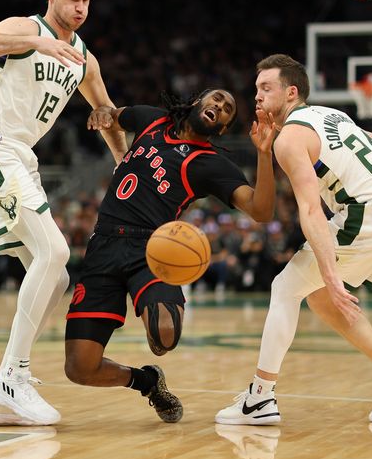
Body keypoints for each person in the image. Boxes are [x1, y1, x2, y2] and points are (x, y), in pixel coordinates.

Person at [0, 0, 127, 427]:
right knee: (55, 253)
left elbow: (105, 111)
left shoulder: (85, 59)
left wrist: (124, 164)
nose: (80, 8)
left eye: (86, 0)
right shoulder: (28, 29)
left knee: (57, 277)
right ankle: (11, 379)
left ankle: (4, 389)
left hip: (20, 159)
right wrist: (34, 44)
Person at [216, 54, 372, 425]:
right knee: (316, 296)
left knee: (286, 288)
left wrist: (332, 275)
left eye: (266, 88)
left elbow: (311, 211)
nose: (258, 97)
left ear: (291, 92)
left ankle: (260, 398)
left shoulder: (291, 139)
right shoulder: (331, 115)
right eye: (256, 89)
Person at [63, 89, 277, 422]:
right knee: (79, 367)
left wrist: (265, 153)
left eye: (227, 110)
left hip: (152, 250)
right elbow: (113, 114)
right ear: (196, 103)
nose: (219, 107)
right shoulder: (151, 119)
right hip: (103, 245)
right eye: (216, 99)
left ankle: (154, 327)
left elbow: (261, 211)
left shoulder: (210, 164)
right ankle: (146, 380)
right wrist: (101, 112)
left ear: (221, 129)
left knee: (164, 337)